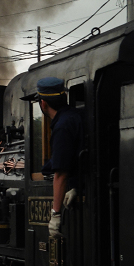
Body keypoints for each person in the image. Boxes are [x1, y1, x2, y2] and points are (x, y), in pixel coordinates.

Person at [33, 77, 84, 238]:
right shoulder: (77, 116)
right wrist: (76, 185)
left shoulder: (62, 127)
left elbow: (61, 174)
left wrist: (55, 215)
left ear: (43, 104)